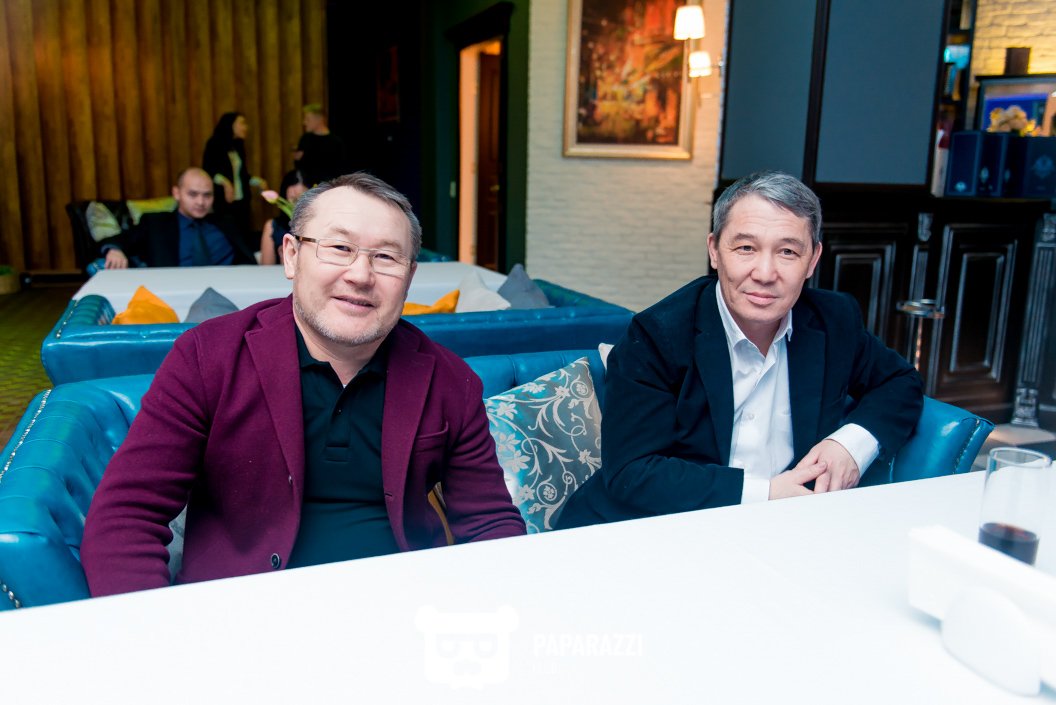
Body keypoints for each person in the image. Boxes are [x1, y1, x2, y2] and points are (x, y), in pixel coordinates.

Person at [82, 173, 526, 596]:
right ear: (292, 256)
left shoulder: (449, 379)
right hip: (238, 618)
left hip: (405, 611)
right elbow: (127, 517)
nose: (361, 275)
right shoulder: (208, 357)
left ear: (409, 278)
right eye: (339, 248)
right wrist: (155, 634)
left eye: (386, 257)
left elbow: (489, 520)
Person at [558, 171, 924, 528]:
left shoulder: (833, 320)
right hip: (650, 529)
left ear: (812, 260)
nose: (764, 273)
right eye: (746, 248)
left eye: (787, 251)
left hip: (783, 529)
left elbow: (899, 382)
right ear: (714, 251)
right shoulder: (658, 335)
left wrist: (848, 445)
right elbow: (632, 472)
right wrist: (766, 493)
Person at [101, 167, 254, 268]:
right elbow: (121, 239)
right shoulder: (156, 223)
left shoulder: (227, 223)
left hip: (227, 290)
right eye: (193, 194)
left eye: (207, 195)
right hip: (171, 291)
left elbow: (249, 253)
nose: (201, 202)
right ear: (177, 193)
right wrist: (115, 249)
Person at [202, 111, 267, 250]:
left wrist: (258, 181)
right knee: (227, 236)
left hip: (241, 200)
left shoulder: (238, 145)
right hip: (224, 201)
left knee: (243, 236)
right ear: (231, 125)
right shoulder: (214, 144)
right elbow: (209, 170)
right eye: (242, 123)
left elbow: (241, 174)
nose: (246, 127)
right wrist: (225, 183)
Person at [260, 170, 308, 265]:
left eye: (302, 200)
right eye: (293, 200)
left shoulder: (318, 226)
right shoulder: (273, 226)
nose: (296, 206)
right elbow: (266, 268)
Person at [293, 103, 347, 186]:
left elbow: (340, 172)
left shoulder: (336, 142)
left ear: (319, 119)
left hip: (327, 187)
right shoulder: (305, 139)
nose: (304, 122)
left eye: (307, 119)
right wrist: (297, 159)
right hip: (306, 188)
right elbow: (299, 168)